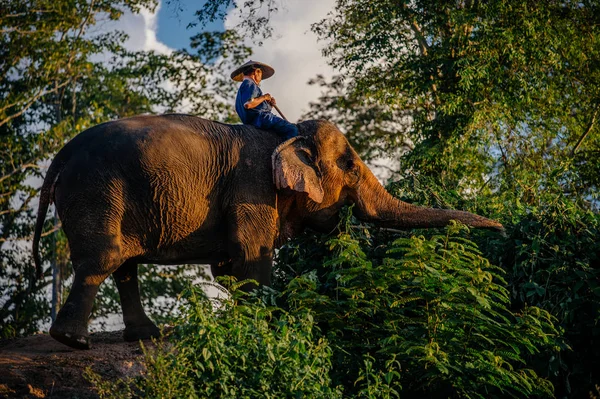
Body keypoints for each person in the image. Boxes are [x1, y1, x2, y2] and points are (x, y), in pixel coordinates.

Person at [231, 60, 299, 140]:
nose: (260, 79)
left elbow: (255, 107)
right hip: (262, 119)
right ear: (257, 72)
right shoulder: (250, 84)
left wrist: (269, 105)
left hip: (253, 121)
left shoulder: (244, 87)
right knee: (292, 129)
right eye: (261, 74)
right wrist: (264, 97)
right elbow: (248, 104)